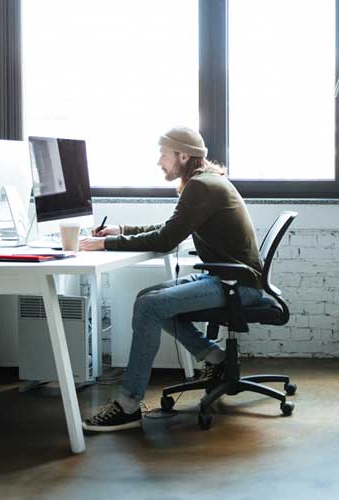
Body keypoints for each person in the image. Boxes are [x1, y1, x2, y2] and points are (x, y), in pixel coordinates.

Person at [78, 126, 271, 432]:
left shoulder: (202, 187)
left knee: (150, 306)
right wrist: (121, 231)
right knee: (148, 300)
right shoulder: (206, 182)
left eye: (163, 155)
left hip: (238, 285)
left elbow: (167, 239)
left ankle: (128, 406)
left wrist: (106, 244)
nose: (159, 162)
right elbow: (171, 228)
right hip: (230, 278)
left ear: (183, 155)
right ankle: (216, 358)